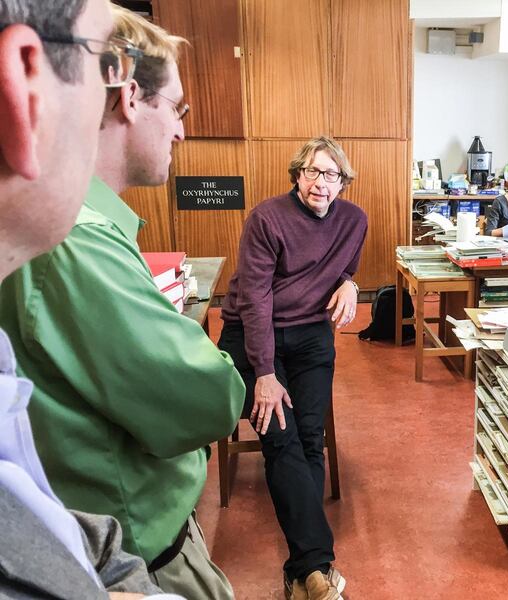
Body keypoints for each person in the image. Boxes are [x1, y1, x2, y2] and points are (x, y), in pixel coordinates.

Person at [0, 6, 245, 599]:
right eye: (178, 110)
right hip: (144, 553)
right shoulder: (72, 238)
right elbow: (208, 397)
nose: (183, 130)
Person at [217, 136, 367, 600]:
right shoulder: (267, 218)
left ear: (343, 181)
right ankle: (315, 567)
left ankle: (305, 570)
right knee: (279, 435)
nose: (322, 183)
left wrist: (350, 283)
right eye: (314, 172)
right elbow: (256, 300)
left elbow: (345, 265)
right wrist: (264, 373)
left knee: (308, 435)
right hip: (253, 334)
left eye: (332, 174)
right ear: (298, 175)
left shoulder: (353, 220)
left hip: (310, 335)